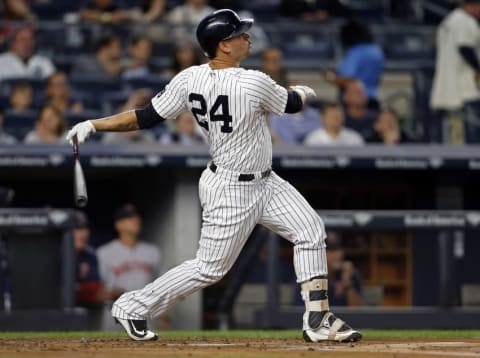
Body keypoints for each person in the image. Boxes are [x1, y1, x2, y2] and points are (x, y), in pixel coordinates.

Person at [66, 9, 361, 343]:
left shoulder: (190, 78)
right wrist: (306, 91)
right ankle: (133, 305)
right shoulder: (253, 81)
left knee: (310, 230)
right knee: (210, 268)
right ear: (223, 45)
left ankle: (318, 319)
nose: (247, 37)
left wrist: (94, 123)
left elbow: (144, 117)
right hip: (231, 189)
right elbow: (293, 104)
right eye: (239, 34)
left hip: (265, 181)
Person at [96, 203, 165, 331]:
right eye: (129, 217)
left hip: (146, 316)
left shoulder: (153, 252)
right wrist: (110, 292)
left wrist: (165, 317)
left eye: (136, 216)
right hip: (115, 318)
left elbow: (164, 287)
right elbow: (97, 290)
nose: (136, 220)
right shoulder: (104, 253)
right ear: (118, 225)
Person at [430, 0, 480, 144]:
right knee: (463, 136)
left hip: (447, 88)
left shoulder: (449, 20)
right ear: (473, 5)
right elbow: (465, 48)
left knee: (452, 133)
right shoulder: (465, 21)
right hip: (463, 88)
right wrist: (478, 68)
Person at [322, 19, 384, 108]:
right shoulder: (377, 50)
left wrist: (330, 77)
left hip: (355, 100)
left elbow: (347, 79)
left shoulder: (356, 51)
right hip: (374, 98)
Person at [73, 211, 104, 311]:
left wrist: (79, 289)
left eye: (85, 228)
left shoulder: (90, 255)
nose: (84, 233)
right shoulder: (52, 254)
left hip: (85, 312)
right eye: (78, 229)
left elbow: (96, 289)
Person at [324, 232, 365, 306]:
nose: (335, 255)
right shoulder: (311, 276)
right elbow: (301, 311)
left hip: (346, 317)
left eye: (337, 250)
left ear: (342, 252)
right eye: (330, 251)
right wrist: (328, 273)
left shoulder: (351, 273)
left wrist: (347, 282)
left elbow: (360, 311)